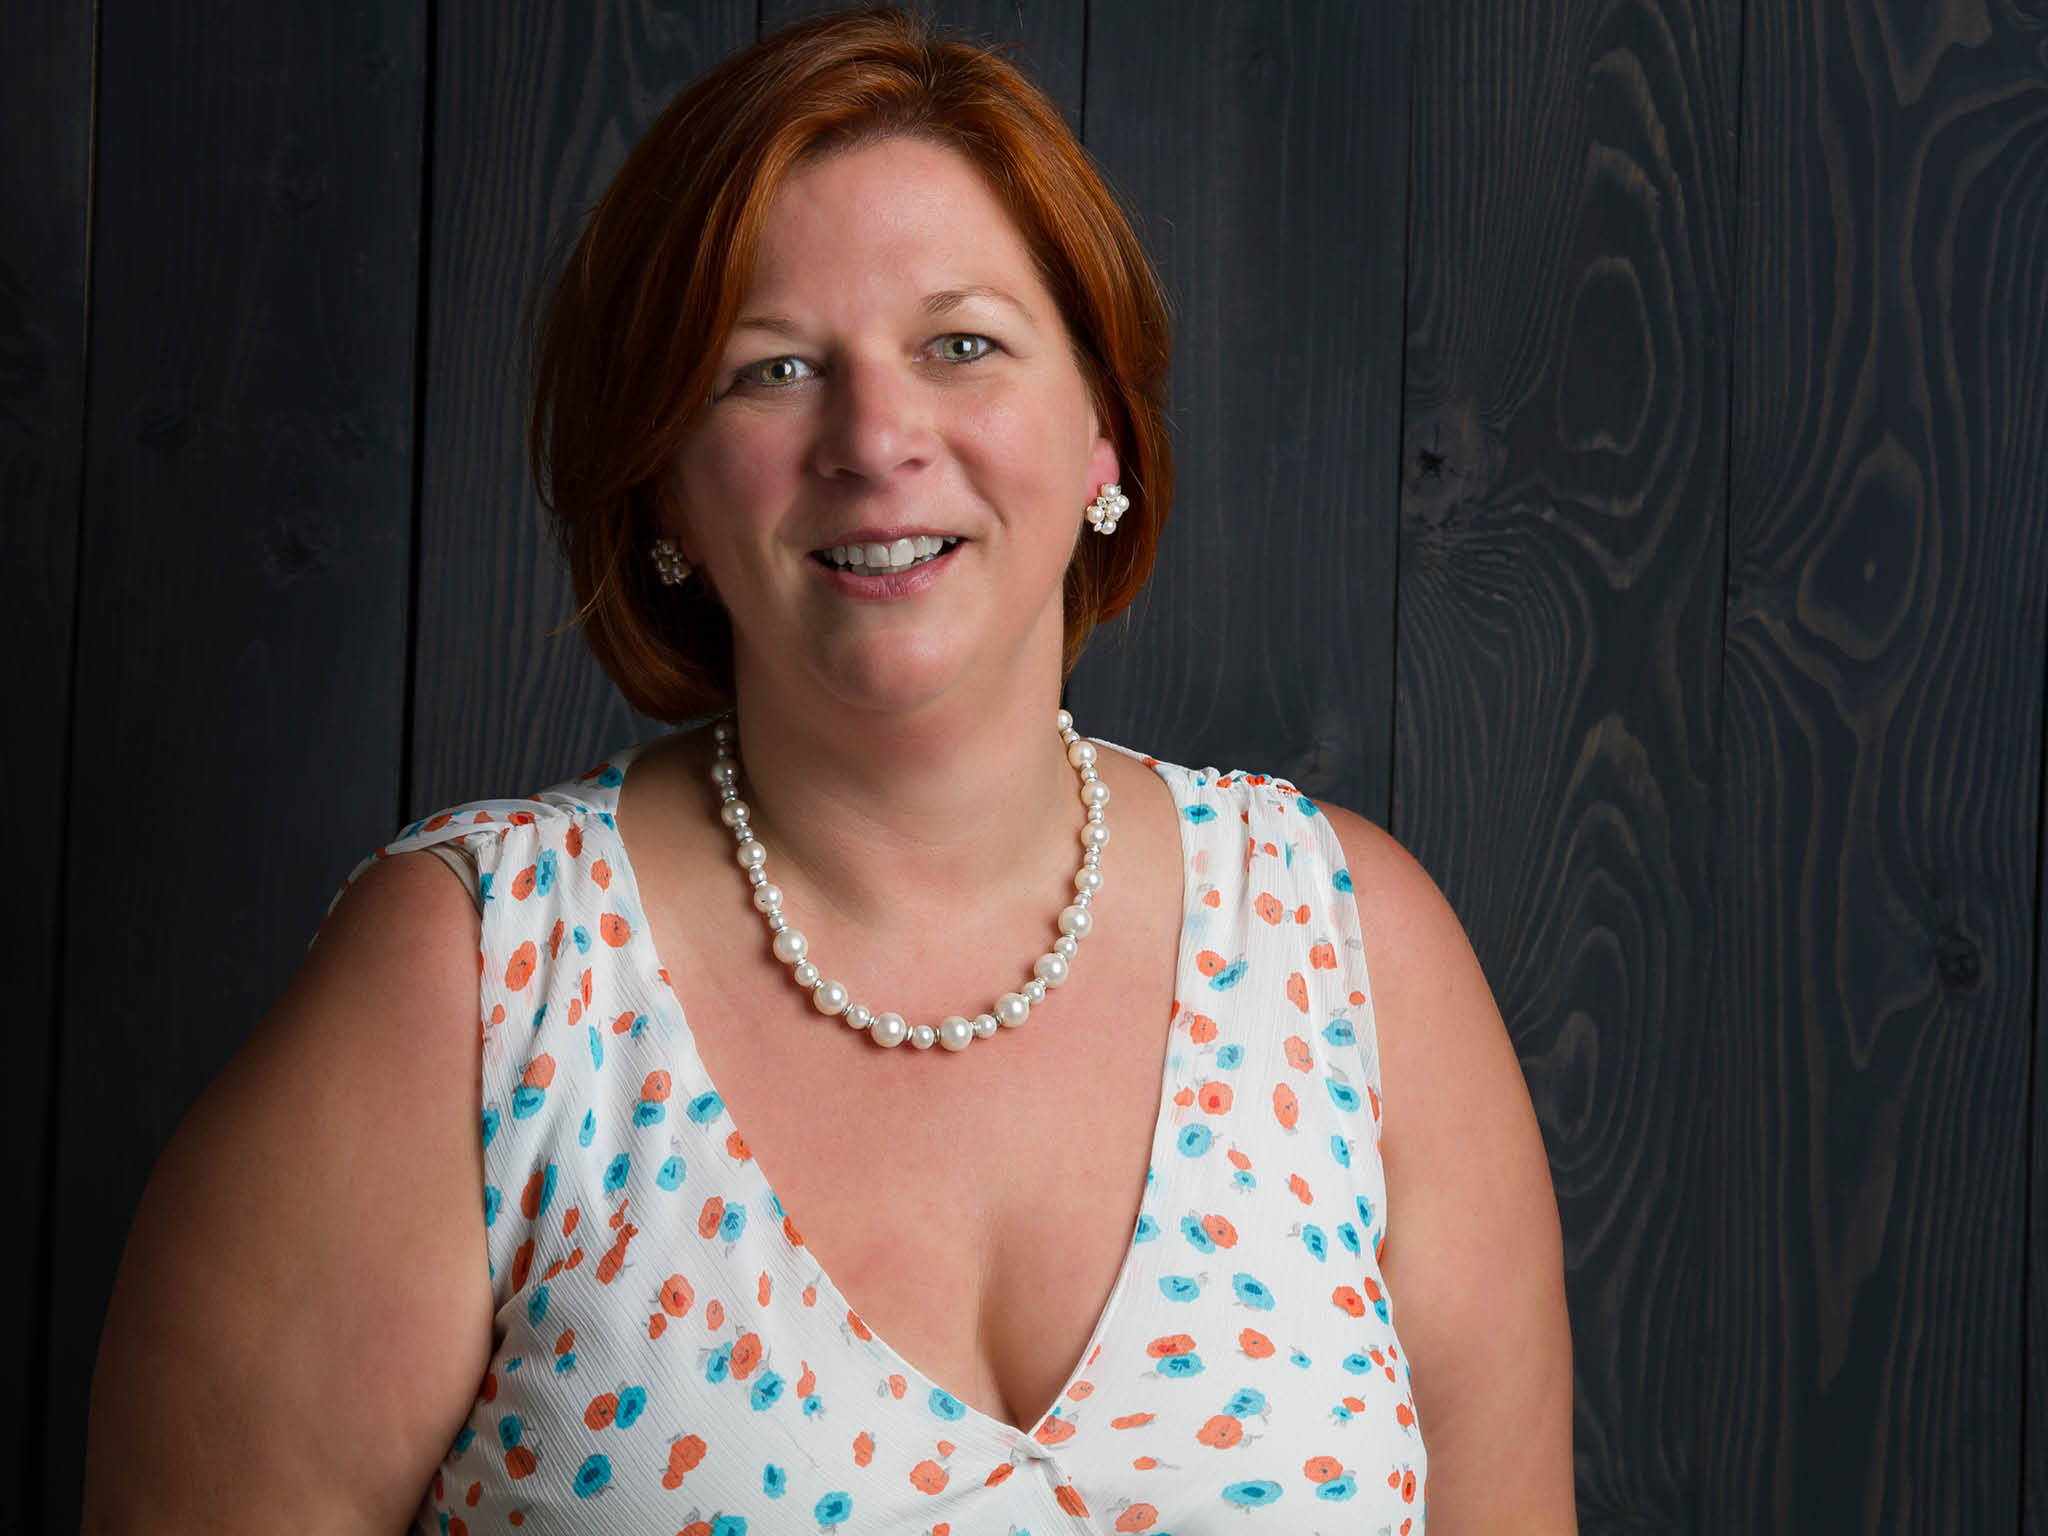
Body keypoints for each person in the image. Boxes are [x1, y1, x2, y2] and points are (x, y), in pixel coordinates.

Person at [81, 9, 1574, 1532]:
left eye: (963, 345)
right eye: (772, 369)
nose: (877, 437)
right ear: (662, 481)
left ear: (1104, 432)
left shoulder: (1350, 954)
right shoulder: (472, 989)